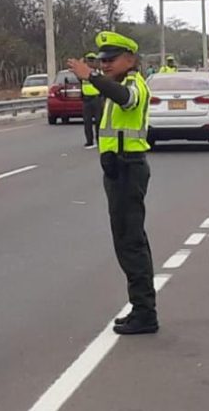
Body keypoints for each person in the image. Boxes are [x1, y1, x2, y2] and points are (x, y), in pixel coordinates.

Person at [66, 31, 158, 335]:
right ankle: (140, 307)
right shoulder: (116, 84)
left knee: (131, 243)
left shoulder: (133, 85)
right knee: (125, 241)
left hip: (129, 169)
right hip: (118, 170)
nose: (105, 64)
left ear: (130, 60)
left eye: (111, 59)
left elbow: (126, 100)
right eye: (101, 60)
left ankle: (145, 312)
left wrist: (90, 75)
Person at [80, 52, 102, 148]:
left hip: (97, 99)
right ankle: (89, 141)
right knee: (87, 122)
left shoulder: (99, 73)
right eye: (89, 60)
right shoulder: (84, 74)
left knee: (99, 121)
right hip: (87, 100)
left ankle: (99, 139)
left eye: (92, 60)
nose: (90, 62)